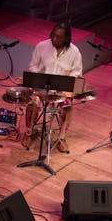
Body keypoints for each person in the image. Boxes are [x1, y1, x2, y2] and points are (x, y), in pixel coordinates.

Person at [22, 21, 83, 153]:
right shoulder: (42, 46)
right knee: (33, 102)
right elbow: (33, 65)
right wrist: (37, 76)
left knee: (68, 105)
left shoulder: (75, 52)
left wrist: (66, 84)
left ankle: (61, 138)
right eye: (53, 35)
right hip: (42, 88)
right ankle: (28, 132)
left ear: (66, 39)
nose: (54, 39)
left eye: (58, 37)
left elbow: (77, 72)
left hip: (61, 91)